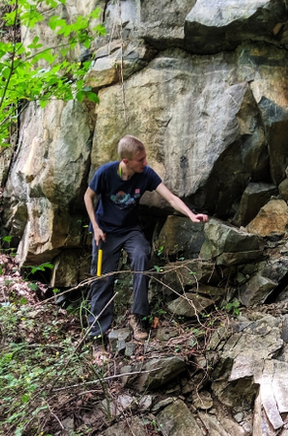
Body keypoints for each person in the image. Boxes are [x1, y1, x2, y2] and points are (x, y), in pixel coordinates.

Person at [84, 135, 208, 347]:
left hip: (130, 230)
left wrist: (190, 214)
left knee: (142, 255)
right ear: (126, 162)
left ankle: (137, 317)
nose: (145, 163)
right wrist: (95, 227)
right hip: (105, 233)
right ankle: (97, 337)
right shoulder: (106, 173)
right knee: (102, 279)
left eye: (145, 158)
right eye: (140, 160)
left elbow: (170, 197)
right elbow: (88, 197)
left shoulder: (146, 174)